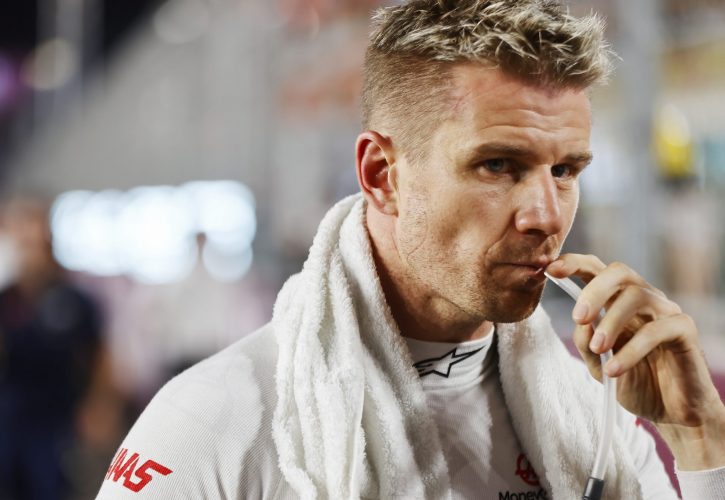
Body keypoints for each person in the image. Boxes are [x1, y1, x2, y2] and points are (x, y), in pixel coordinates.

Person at [96, 1, 725, 498]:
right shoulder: (214, 421)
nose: (545, 216)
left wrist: (700, 438)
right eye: (497, 164)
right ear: (382, 175)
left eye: (564, 170)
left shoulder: (595, 414)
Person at [0, 198, 103, 499]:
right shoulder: (6, 298)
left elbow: (99, 354)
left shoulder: (72, 298)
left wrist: (98, 406)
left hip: (57, 418)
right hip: (10, 416)